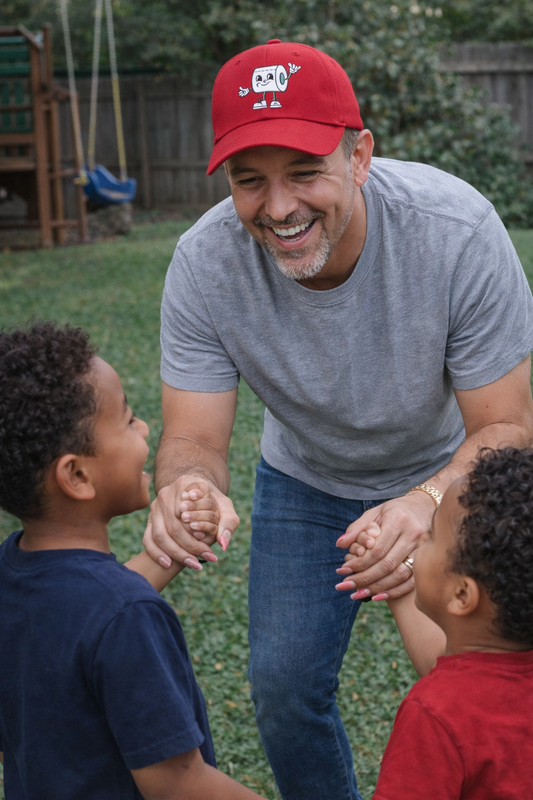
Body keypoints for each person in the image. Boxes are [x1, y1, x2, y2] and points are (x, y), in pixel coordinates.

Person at [143, 38, 533, 800]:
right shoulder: (202, 262)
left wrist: (423, 503)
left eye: (304, 172)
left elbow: (505, 430)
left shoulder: (454, 230)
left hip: (451, 477)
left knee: (477, 685)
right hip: (304, 478)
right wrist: (187, 487)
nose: (278, 206)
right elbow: (192, 437)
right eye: (249, 181)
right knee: (283, 690)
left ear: (358, 156)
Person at [0, 322, 268, 800]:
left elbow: (79, 620)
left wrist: (164, 555)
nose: (144, 428)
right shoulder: (128, 618)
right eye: (127, 420)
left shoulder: (12, 571)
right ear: (77, 475)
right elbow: (177, 782)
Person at [370, 448, 533, 798]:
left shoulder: (434, 715)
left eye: (429, 535)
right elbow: (448, 665)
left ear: (462, 595)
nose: (418, 540)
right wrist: (395, 581)